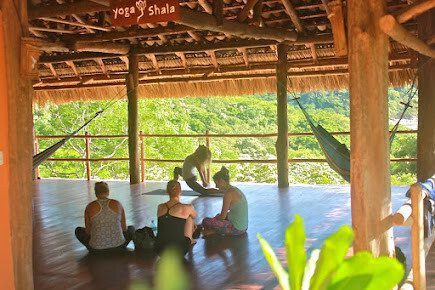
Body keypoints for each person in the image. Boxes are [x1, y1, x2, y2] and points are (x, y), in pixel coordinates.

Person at [75, 181, 135, 252]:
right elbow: (124, 228)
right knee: (131, 228)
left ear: (96, 193)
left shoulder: (90, 206)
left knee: (78, 230)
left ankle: (95, 246)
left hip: (96, 249)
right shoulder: (117, 204)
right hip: (119, 246)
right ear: (108, 192)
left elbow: (88, 232)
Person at [155, 180, 199, 256]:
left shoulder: (160, 207)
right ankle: (190, 240)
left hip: (160, 250)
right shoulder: (187, 207)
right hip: (179, 251)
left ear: (167, 191)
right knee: (189, 217)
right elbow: (195, 216)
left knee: (168, 220)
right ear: (180, 191)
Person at [201, 167, 248, 236]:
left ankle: (214, 231)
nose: (216, 186)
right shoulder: (235, 189)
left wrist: (213, 221)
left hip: (236, 229)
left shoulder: (228, 194)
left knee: (205, 221)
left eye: (216, 183)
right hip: (243, 227)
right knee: (217, 216)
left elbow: (223, 217)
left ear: (221, 181)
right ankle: (213, 230)